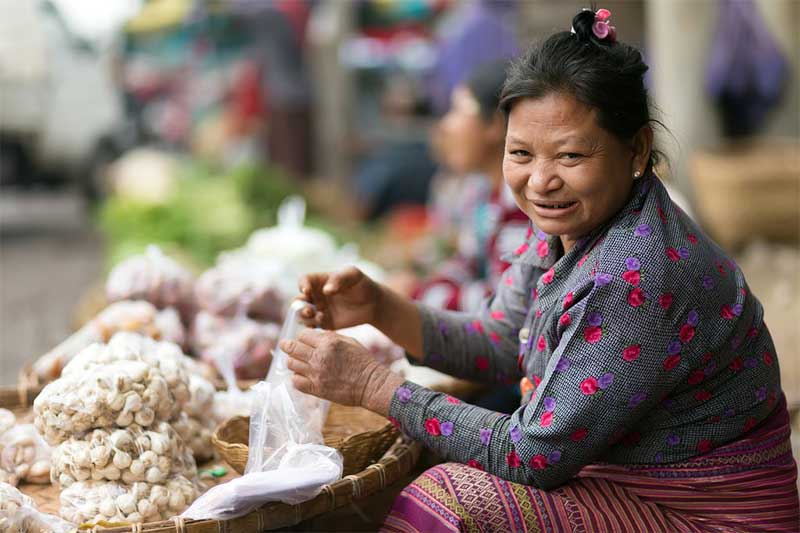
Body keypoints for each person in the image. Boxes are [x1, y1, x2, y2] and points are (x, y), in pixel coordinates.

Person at [281, 8, 799, 531]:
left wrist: (374, 386)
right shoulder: (564, 224)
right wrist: (379, 307)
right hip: (625, 486)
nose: (540, 181)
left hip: (709, 517)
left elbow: (530, 455)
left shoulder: (638, 273)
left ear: (637, 149)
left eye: (570, 155)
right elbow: (506, 340)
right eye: (521, 153)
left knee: (448, 495)